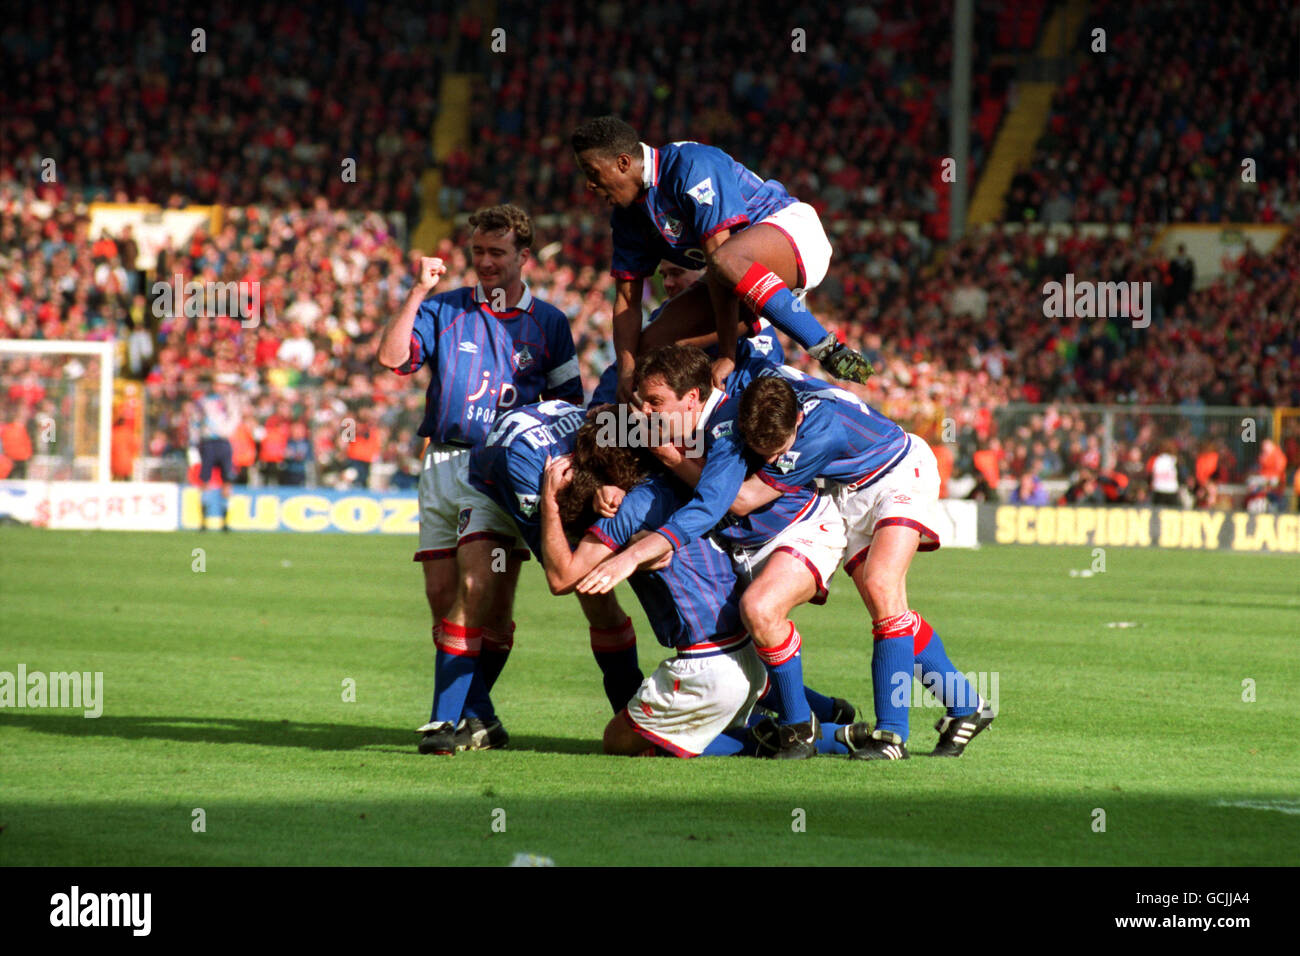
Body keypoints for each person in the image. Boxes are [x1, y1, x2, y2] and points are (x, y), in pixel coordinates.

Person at [375, 204, 592, 755]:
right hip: (440, 465)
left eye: (498, 253)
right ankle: (481, 717)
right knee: (445, 597)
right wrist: (417, 292)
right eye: (478, 252)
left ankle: (443, 724)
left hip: (494, 469)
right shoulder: (445, 309)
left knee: (475, 591)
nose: (486, 262)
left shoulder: (549, 324)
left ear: (523, 256)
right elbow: (391, 357)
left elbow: (570, 407)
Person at [576, 346, 852, 758]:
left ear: (691, 398)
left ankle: (800, 731)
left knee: (759, 613)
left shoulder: (725, 430)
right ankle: (831, 718)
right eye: (642, 404)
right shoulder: (679, 420)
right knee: (751, 642)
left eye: (654, 403)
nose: (644, 414)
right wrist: (608, 479)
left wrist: (631, 551)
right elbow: (605, 432)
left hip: (794, 529)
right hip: (748, 547)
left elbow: (717, 504)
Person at [730, 370, 996, 760]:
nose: (772, 458)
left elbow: (744, 499)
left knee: (881, 585)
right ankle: (966, 704)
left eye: (777, 448)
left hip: (897, 473)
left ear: (798, 422)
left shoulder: (820, 432)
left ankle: (892, 735)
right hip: (846, 493)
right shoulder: (780, 389)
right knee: (887, 604)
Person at [542, 445, 864, 758]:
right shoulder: (694, 479)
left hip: (706, 667)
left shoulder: (626, 511)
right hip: (748, 651)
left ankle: (769, 741)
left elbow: (561, 579)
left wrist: (549, 503)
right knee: (729, 707)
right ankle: (834, 727)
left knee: (618, 740)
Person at [570, 115, 873, 401]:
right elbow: (626, 302)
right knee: (650, 347)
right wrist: (626, 369)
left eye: (593, 172)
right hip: (738, 276)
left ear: (623, 162)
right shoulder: (627, 218)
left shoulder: (688, 164)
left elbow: (720, 261)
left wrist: (727, 355)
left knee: (723, 260)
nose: (590, 184)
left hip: (792, 233)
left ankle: (826, 347)